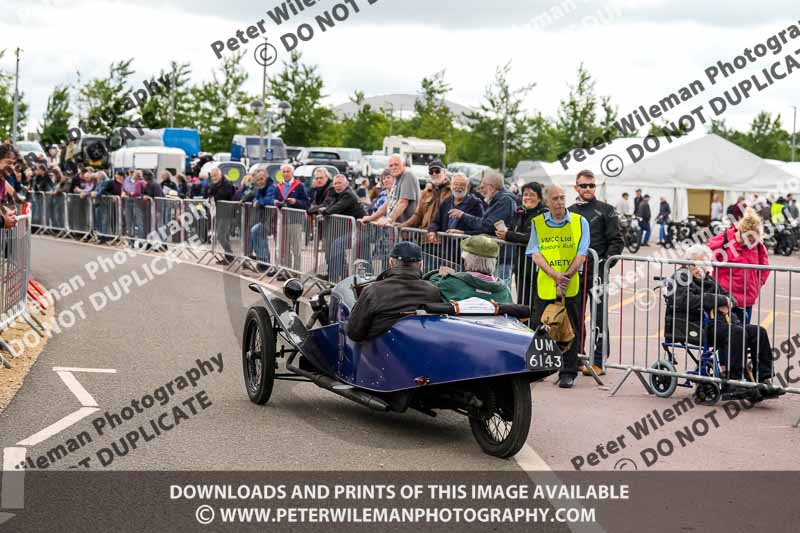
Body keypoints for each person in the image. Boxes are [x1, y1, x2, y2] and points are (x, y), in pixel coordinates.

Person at [663, 245, 781, 401]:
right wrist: (719, 301)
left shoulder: (708, 278)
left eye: (705, 264)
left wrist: (727, 302)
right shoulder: (681, 278)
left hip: (718, 323)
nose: (703, 268)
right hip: (697, 325)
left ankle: (763, 379)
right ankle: (733, 383)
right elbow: (686, 301)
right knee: (737, 332)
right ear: (689, 263)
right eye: (699, 264)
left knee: (757, 331)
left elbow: (730, 298)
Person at [527, 185, 590, 389]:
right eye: (555, 198)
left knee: (570, 328)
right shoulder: (537, 223)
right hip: (546, 283)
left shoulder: (580, 222)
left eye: (562, 197)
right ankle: (542, 368)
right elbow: (535, 253)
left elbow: (582, 254)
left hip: (570, 284)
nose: (560, 202)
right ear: (547, 202)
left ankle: (568, 372)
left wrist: (566, 277)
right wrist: (555, 276)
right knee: (540, 325)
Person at [569, 170, 624, 375]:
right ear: (576, 188)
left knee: (599, 319)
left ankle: (599, 360)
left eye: (591, 185)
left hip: (598, 274)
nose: (588, 189)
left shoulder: (606, 210)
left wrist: (603, 265)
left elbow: (617, 241)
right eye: (584, 186)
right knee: (575, 317)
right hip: (575, 274)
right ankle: (576, 358)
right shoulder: (570, 211)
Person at [346, 241, 442, 342]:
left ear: (391, 263)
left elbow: (354, 333)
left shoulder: (372, 291)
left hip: (380, 353)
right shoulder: (432, 291)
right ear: (421, 265)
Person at [449, 171, 516, 281]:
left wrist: (463, 216)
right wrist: (464, 233)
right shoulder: (498, 200)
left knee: (499, 290)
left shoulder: (505, 201)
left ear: (492, 187)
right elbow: (487, 228)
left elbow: (487, 226)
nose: (481, 190)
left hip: (502, 257)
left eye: (483, 186)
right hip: (496, 255)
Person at [707, 208, 769, 325]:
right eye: (749, 238)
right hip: (725, 299)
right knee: (725, 336)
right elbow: (706, 258)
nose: (752, 242)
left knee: (743, 334)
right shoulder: (724, 239)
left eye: (754, 239)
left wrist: (757, 283)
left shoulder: (759, 246)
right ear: (741, 232)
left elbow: (765, 268)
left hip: (747, 299)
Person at [496, 181, 547, 307]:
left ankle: (534, 326)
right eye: (525, 194)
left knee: (535, 303)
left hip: (538, 266)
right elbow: (514, 230)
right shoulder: (519, 212)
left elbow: (534, 237)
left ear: (539, 197)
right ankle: (524, 325)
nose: (527, 198)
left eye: (532, 195)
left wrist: (509, 235)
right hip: (520, 265)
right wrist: (505, 232)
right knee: (522, 301)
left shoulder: (544, 213)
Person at [430, 235, 512, 303]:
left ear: (468, 259)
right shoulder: (505, 291)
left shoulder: (452, 282)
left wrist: (442, 274)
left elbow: (433, 283)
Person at [317, 175, 365, 280]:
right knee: (333, 248)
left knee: (336, 247)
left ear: (346, 184)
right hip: (347, 228)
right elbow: (330, 204)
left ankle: (338, 277)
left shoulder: (348, 194)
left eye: (340, 183)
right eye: (335, 183)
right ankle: (334, 275)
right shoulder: (337, 193)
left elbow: (337, 207)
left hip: (359, 230)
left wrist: (324, 211)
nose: (337, 186)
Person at [361, 154, 419, 226]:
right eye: (391, 166)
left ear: (403, 164)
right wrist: (371, 218)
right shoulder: (396, 178)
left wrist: (389, 219)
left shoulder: (408, 175)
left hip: (408, 229)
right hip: (397, 229)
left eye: (396, 165)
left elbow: (403, 202)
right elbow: (388, 203)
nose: (393, 167)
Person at [273, 164, 309, 273]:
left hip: (295, 221)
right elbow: (275, 200)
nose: (285, 174)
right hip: (283, 221)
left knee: (296, 248)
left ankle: (296, 272)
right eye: (283, 172)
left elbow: (306, 203)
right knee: (285, 248)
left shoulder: (299, 186)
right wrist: (275, 202)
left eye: (288, 171)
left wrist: (295, 202)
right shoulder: (278, 186)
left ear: (292, 173)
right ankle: (287, 271)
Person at [400, 160, 451, 230]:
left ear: (444, 172)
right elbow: (418, 215)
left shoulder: (452, 191)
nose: (434, 174)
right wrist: (402, 226)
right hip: (426, 235)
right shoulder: (426, 192)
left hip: (445, 236)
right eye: (431, 172)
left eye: (437, 171)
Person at [249, 169, 277, 272]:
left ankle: (264, 260)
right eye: (258, 180)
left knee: (256, 231)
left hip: (272, 219)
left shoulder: (271, 187)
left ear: (266, 176)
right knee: (257, 232)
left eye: (262, 178)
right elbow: (255, 198)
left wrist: (259, 201)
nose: (260, 181)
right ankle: (262, 260)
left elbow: (269, 201)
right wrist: (255, 200)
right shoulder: (261, 188)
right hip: (264, 218)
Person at [206, 168, 236, 264]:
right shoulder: (214, 184)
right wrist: (212, 194)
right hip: (218, 212)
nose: (213, 178)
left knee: (221, 236)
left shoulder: (226, 184)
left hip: (226, 213)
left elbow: (221, 195)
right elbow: (209, 192)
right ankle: (228, 256)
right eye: (212, 176)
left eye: (215, 176)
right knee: (223, 236)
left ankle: (230, 255)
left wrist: (213, 195)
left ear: (220, 175)